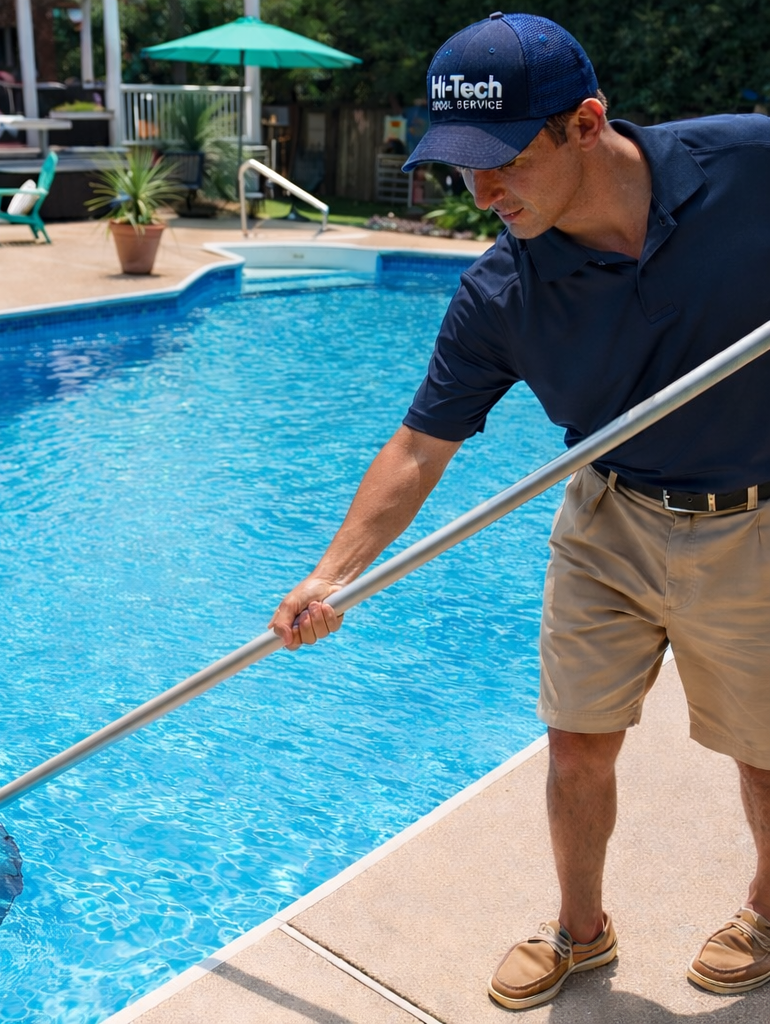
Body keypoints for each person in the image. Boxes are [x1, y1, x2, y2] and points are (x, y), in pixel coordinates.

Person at [269, 10, 770, 1011]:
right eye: (461, 170)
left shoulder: (745, 165)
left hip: (754, 519)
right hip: (611, 516)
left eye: (501, 161)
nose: (482, 193)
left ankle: (765, 906)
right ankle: (579, 929)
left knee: (761, 747)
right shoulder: (500, 292)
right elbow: (418, 448)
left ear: (585, 123)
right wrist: (334, 574)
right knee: (578, 741)